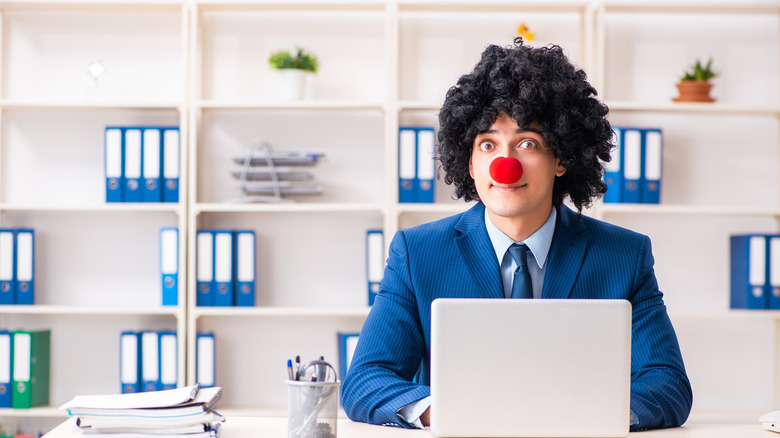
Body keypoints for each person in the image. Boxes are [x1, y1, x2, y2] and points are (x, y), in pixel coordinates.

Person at [341, 38, 693, 432]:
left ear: (561, 159)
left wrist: (586, 414)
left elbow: (668, 386)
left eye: (527, 143)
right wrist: (437, 412)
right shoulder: (417, 253)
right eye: (488, 144)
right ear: (470, 164)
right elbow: (365, 380)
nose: (504, 165)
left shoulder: (625, 255)